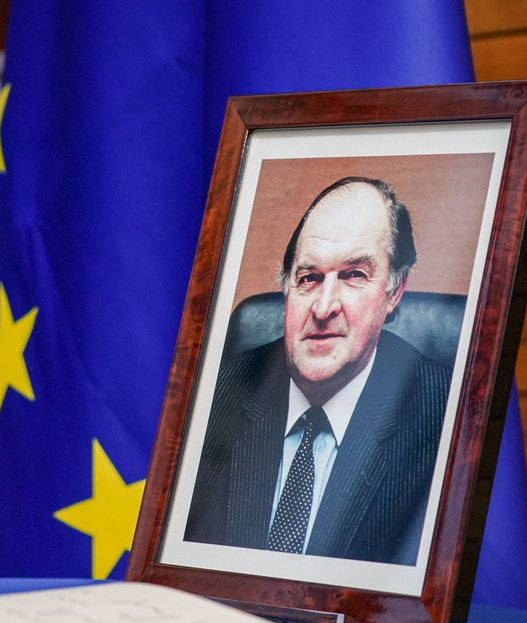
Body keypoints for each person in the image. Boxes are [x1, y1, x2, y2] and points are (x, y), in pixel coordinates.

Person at [184, 177, 450, 565]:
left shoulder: (443, 415)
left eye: (354, 275)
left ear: (393, 292)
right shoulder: (212, 396)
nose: (324, 308)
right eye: (309, 278)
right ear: (287, 288)